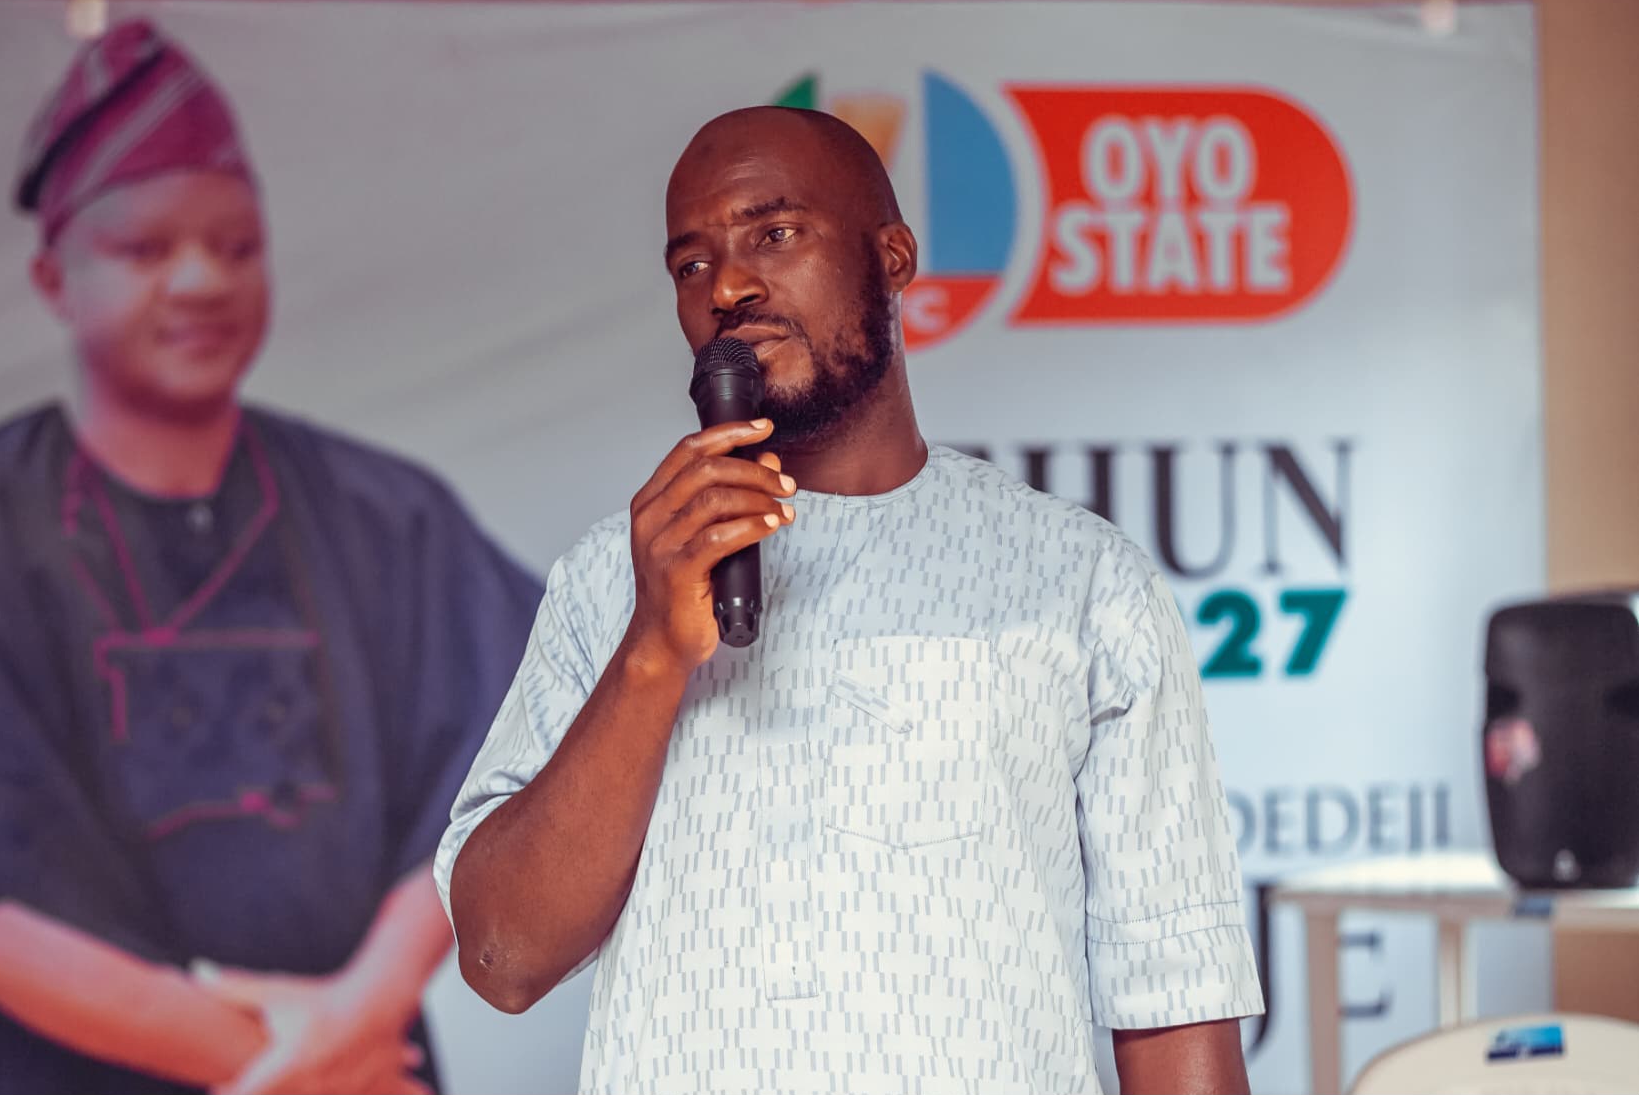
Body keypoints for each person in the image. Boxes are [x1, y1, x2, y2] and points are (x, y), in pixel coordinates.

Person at [440, 105, 1263, 1095]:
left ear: (893, 258)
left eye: (774, 234)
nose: (727, 287)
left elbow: (1175, 1001)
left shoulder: (1079, 583)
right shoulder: (611, 579)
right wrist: (651, 653)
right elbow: (503, 957)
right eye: (691, 264)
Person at [0, 19, 543, 1095]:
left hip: (361, 1049)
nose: (202, 279)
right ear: (52, 277)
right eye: (146, 250)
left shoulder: (382, 514)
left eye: (237, 246)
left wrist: (366, 1006)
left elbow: (515, 758)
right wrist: (286, 1068)